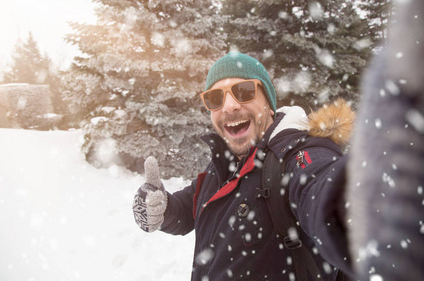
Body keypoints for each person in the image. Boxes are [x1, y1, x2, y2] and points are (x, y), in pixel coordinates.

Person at [133, 52, 354, 280]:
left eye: (244, 91)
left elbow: (325, 189)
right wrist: (161, 208)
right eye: (215, 98)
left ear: (268, 105)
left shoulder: (295, 155)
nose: (229, 106)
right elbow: (189, 208)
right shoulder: (222, 164)